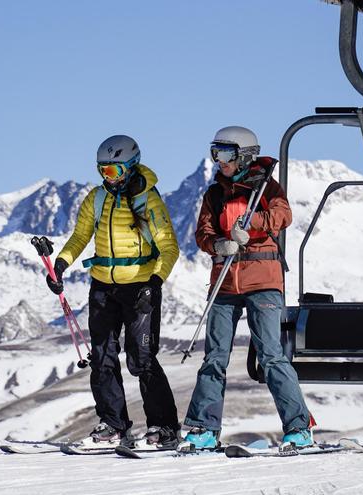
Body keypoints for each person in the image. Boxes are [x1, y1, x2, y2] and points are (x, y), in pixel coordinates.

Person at [182, 126, 313, 450]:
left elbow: (282, 215)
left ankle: (299, 427)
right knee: (214, 356)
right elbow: (203, 233)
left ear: (244, 155)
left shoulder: (266, 187)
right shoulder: (215, 193)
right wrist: (220, 244)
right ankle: (203, 429)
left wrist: (251, 224)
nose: (218, 160)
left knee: (270, 355)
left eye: (225, 153)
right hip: (225, 282)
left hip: (262, 281)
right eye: (215, 153)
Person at [46, 135, 181, 449]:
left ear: (131, 166)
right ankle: (113, 426)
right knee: (103, 358)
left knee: (142, 360)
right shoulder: (96, 198)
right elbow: (80, 235)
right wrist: (61, 264)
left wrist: (155, 284)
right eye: (103, 171)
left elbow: (169, 248)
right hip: (103, 287)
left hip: (140, 287)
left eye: (114, 170)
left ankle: (164, 428)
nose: (109, 177)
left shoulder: (148, 200)